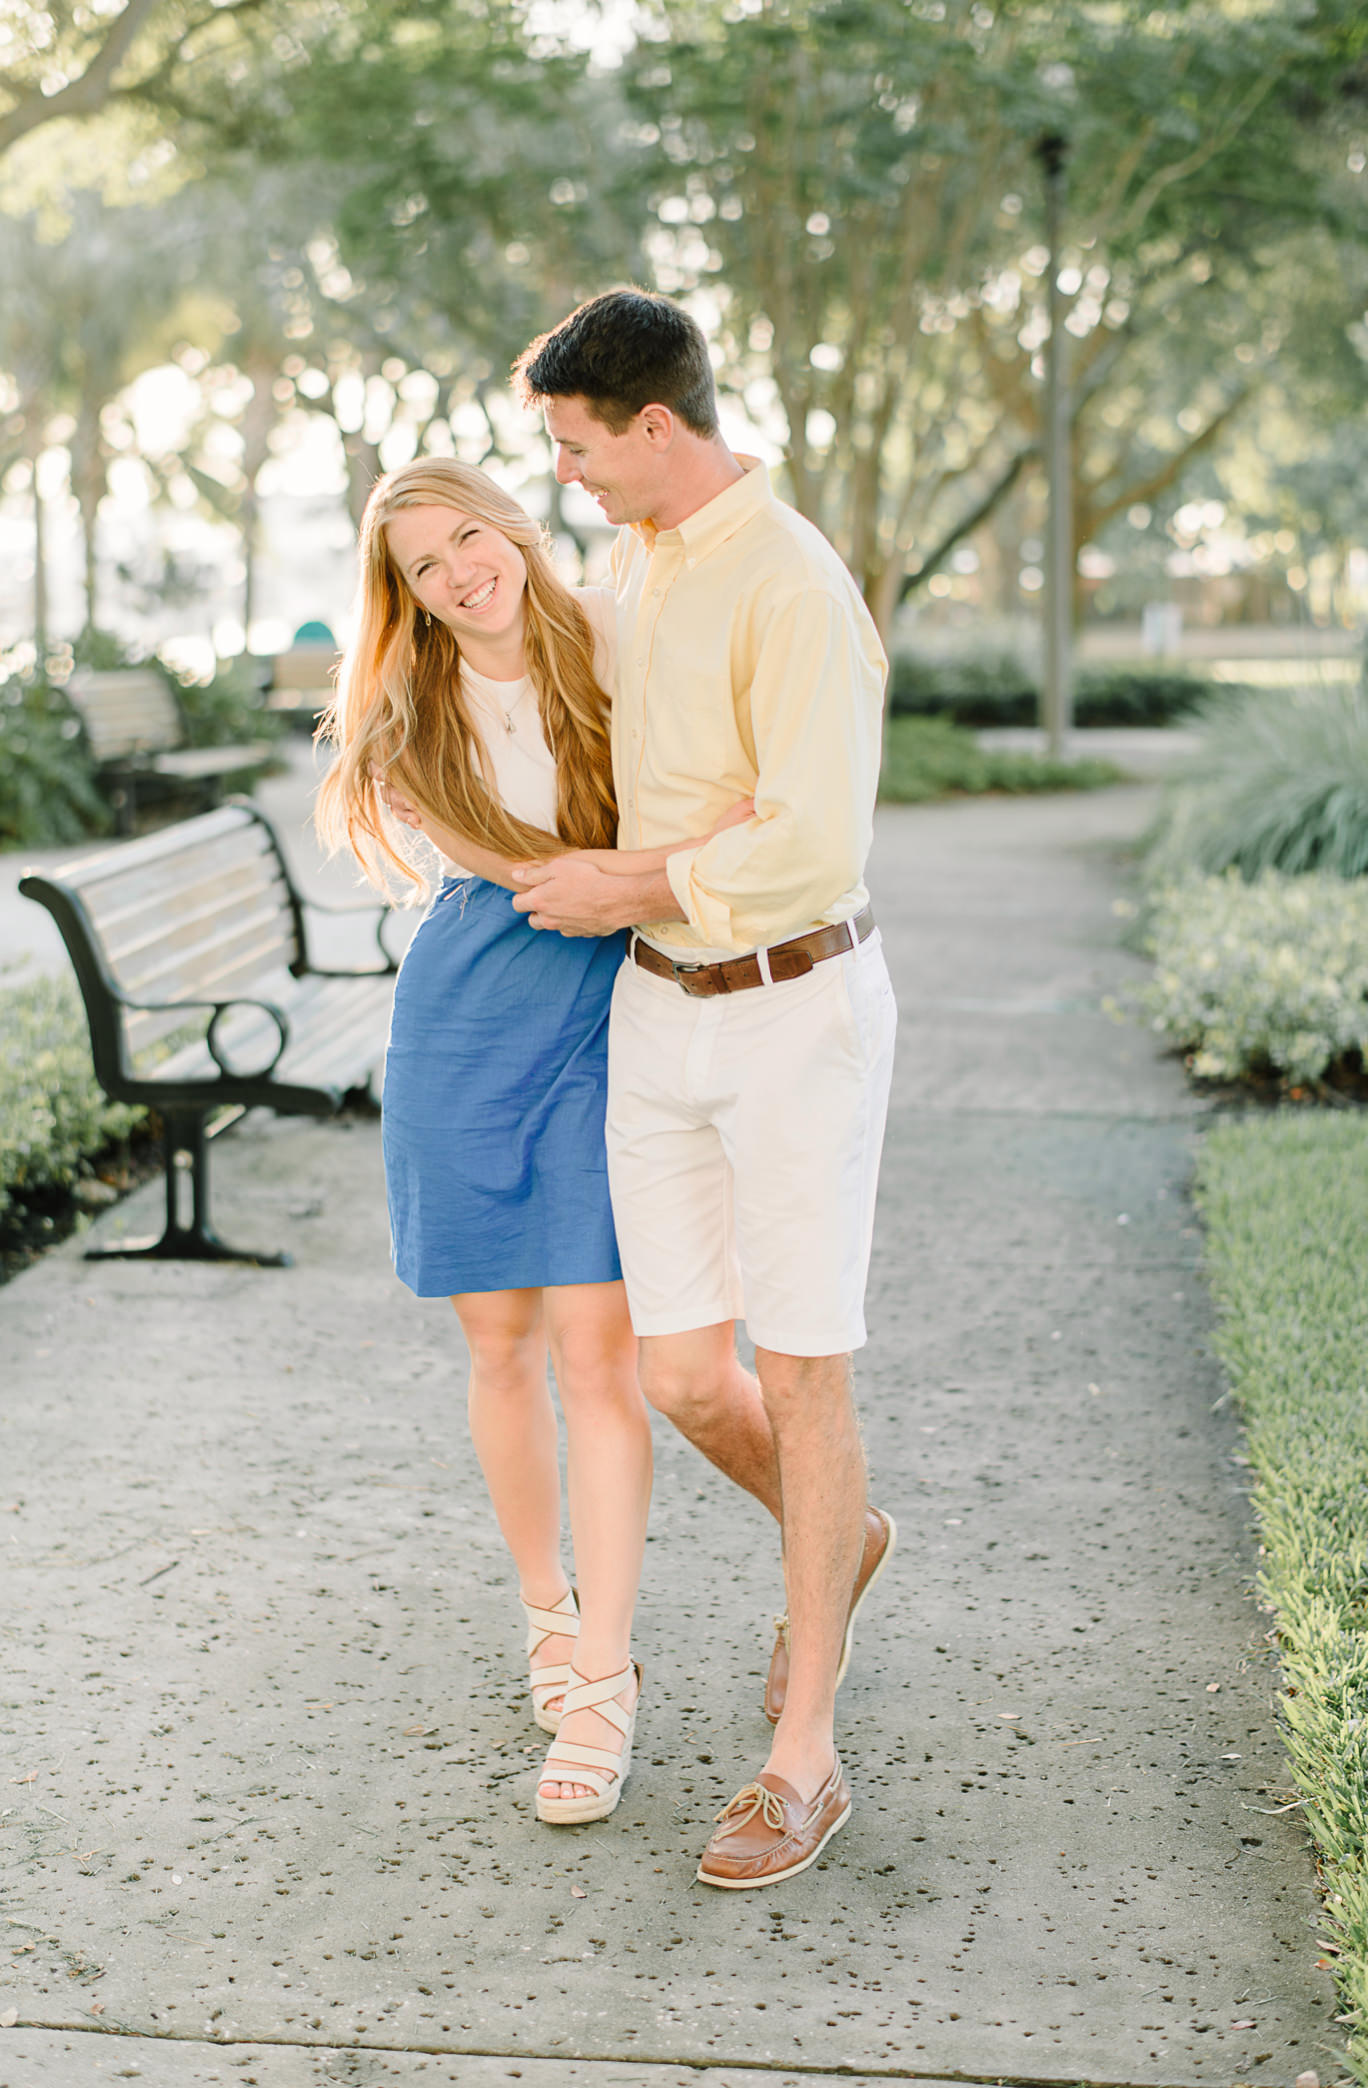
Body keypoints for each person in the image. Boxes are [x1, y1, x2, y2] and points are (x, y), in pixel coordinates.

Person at [508, 290, 899, 1889]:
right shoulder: (628, 565)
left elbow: (808, 838)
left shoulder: (792, 584)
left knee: (802, 1376)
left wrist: (647, 873)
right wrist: (671, 862)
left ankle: (802, 1756)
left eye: (578, 447)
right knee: (680, 1377)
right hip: (655, 1014)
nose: (568, 475)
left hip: (793, 1010)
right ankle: (843, 1536)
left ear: (654, 427)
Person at [315, 459, 743, 1826]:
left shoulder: (615, 635)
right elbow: (521, 872)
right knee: (497, 1338)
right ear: (411, 598)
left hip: (608, 1013)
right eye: (427, 567)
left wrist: (692, 850)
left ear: (509, 527)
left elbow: (699, 794)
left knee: (598, 1352)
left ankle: (605, 1682)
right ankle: (543, 1607)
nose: (461, 572)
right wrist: (634, 866)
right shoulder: (403, 709)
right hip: (470, 1020)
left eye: (469, 537)